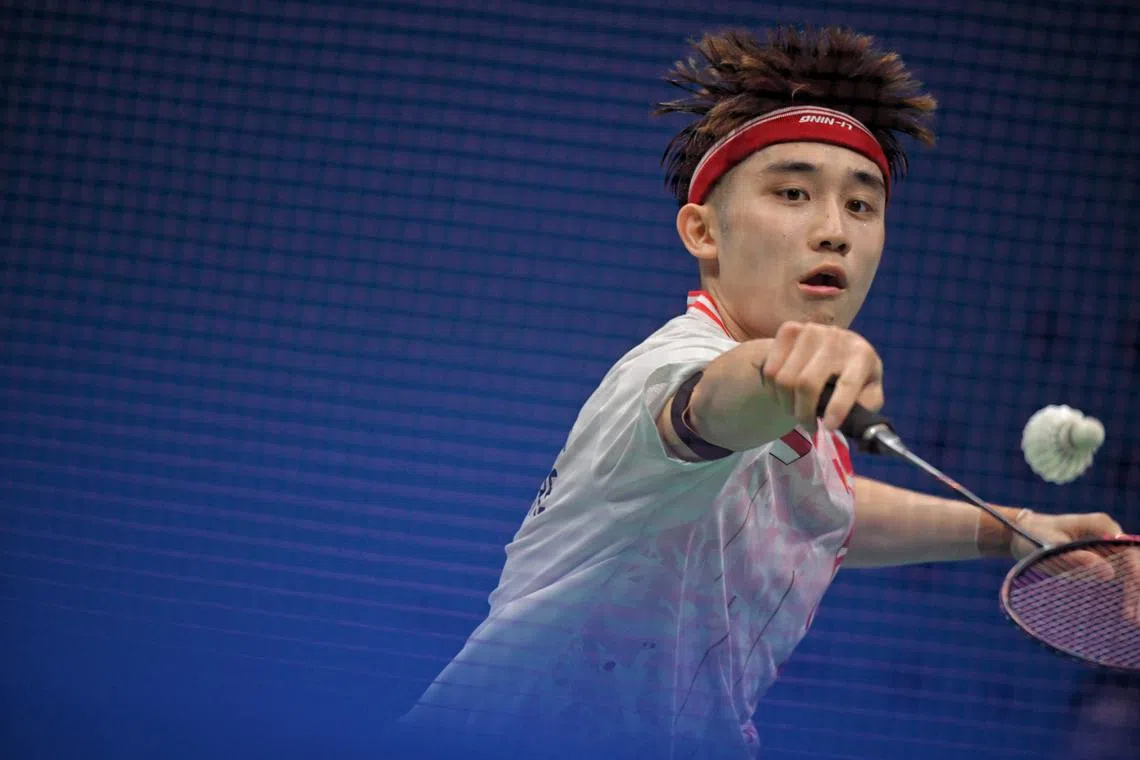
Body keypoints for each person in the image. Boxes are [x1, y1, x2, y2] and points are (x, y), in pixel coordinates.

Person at [396, 25, 1127, 760]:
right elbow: (710, 405)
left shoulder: (794, 432)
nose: (832, 231)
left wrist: (1013, 527)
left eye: (861, 207)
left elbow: (815, 508)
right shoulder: (672, 369)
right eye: (792, 193)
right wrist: (790, 365)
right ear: (702, 231)